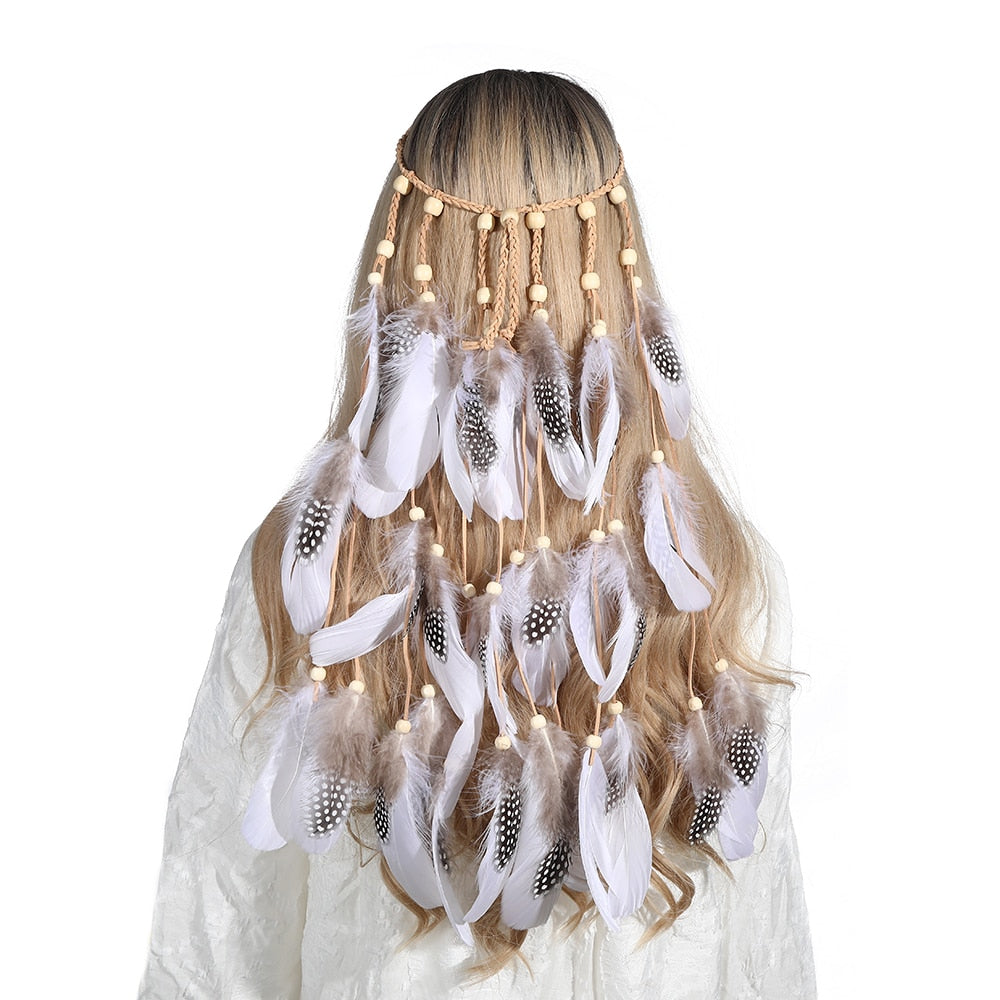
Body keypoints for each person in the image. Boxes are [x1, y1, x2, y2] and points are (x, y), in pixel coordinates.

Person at [138, 69, 816, 999]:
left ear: (398, 260)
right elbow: (759, 951)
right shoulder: (726, 573)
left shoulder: (306, 572)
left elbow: (222, 938)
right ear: (621, 267)